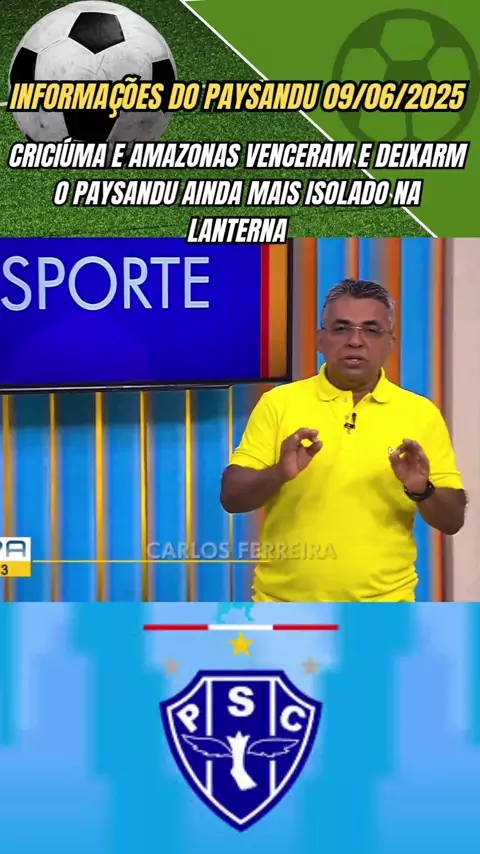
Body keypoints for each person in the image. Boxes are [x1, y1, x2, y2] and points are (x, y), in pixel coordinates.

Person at [220, 279, 466, 602]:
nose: (355, 341)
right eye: (341, 328)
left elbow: (452, 520)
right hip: (284, 608)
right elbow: (232, 498)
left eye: (371, 330)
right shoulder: (279, 403)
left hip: (385, 609)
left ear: (390, 343)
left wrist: (422, 489)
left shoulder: (421, 413)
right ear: (320, 340)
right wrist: (279, 472)